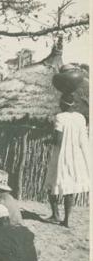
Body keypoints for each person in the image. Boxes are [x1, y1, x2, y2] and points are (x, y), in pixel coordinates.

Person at [44, 93, 90, 227]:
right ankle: (67, 219)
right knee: (69, 187)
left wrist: (49, 139)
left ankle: (55, 214)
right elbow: (83, 138)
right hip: (76, 156)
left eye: (60, 103)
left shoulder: (60, 117)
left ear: (63, 104)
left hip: (61, 155)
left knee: (51, 183)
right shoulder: (80, 118)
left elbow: (58, 140)